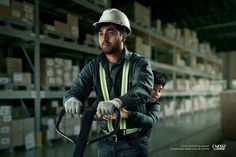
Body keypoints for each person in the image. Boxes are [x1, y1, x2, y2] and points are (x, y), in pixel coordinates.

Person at [63, 8, 153, 157]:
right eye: (100, 33)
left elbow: (143, 89)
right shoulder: (93, 66)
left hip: (133, 144)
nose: (103, 37)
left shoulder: (139, 63)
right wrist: (71, 99)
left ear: (123, 35)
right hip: (104, 143)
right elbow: (76, 88)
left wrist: (116, 102)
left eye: (110, 32)